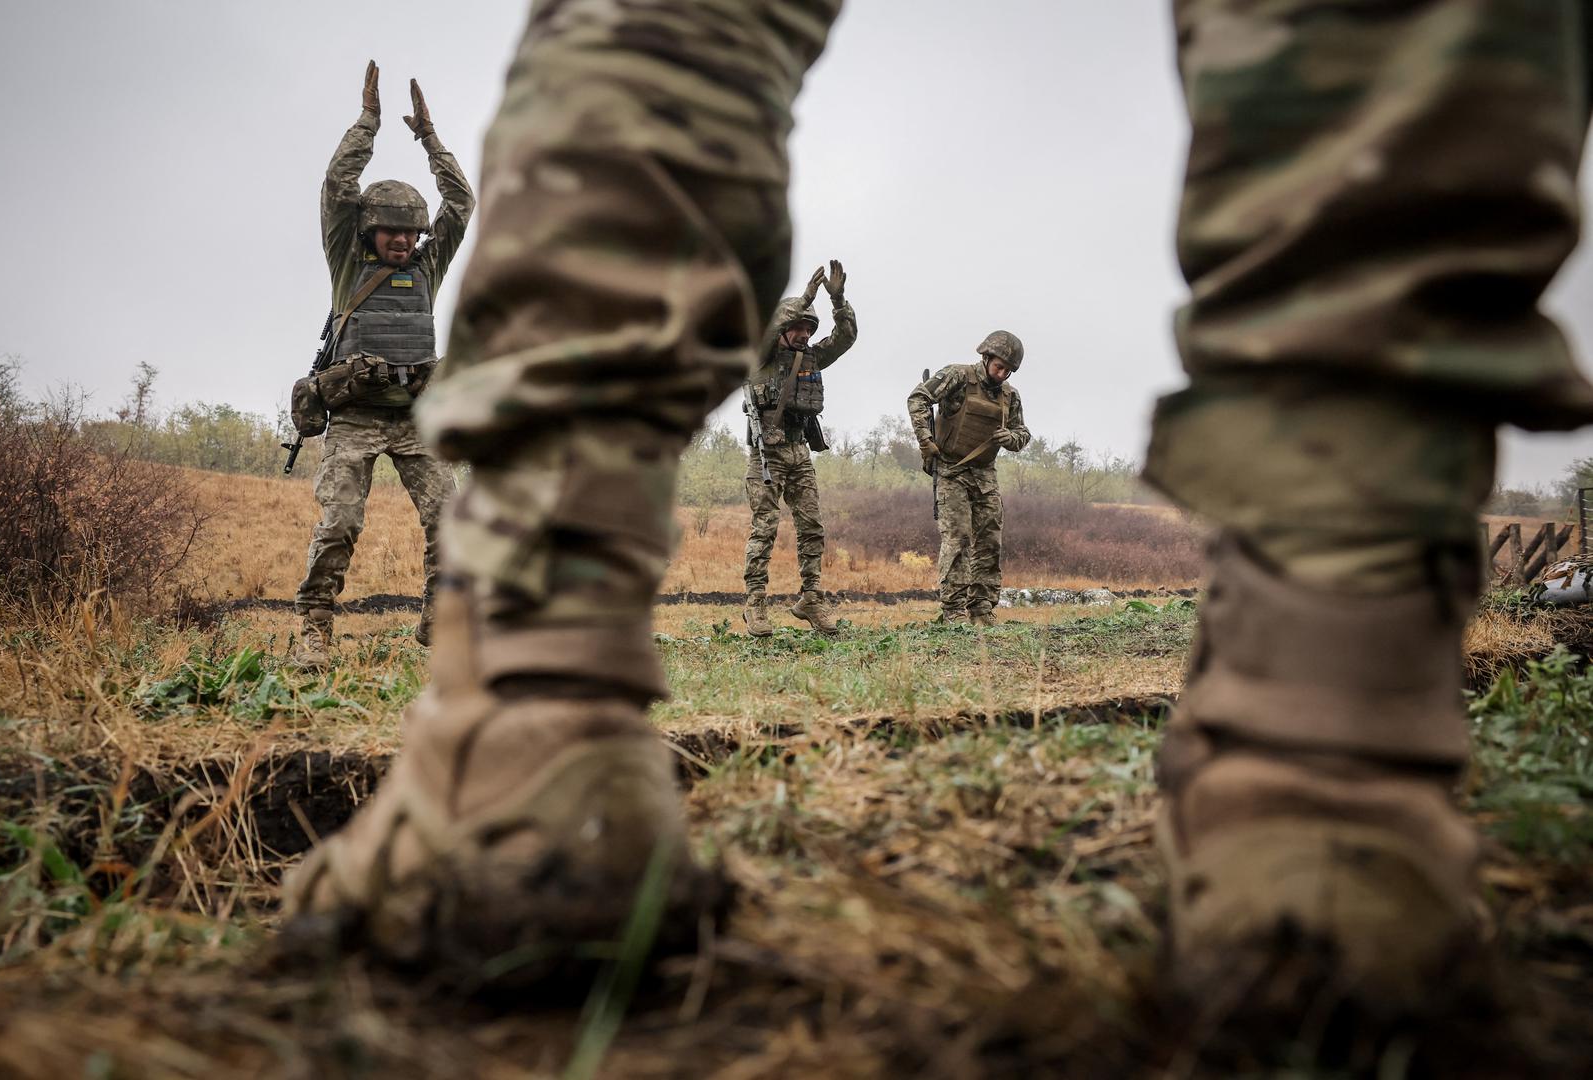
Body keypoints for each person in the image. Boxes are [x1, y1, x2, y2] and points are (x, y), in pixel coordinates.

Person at [285, 1, 1593, 1021]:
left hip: (778, 449)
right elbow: (809, 369)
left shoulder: (877, 366)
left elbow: (850, 350)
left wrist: (848, 312)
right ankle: (1339, 749)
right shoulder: (801, 363)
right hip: (708, 442)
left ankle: (529, 717)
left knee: (677, 30)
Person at [289, 61, 475, 670]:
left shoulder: (427, 266)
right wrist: (367, 123)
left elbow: (461, 201)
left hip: (418, 418)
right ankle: (314, 628)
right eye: (391, 231)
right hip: (355, 418)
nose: (402, 240)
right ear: (368, 230)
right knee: (340, 523)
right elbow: (336, 185)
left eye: (410, 231)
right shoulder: (347, 262)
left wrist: (429, 137)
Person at [740, 263, 858, 636]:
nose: (805, 334)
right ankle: (755, 605)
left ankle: (811, 599)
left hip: (799, 452)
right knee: (765, 527)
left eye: (809, 329)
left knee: (812, 527)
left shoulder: (811, 357)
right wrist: (806, 298)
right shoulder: (761, 354)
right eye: (799, 328)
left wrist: (837, 299)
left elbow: (847, 337)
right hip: (766, 455)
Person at [907, 331, 1031, 627]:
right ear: (986, 358)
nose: (1001, 374)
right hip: (951, 470)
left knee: (990, 541)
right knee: (958, 538)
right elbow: (918, 398)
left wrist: (1010, 437)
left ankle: (982, 610)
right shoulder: (957, 376)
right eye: (998, 367)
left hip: (985, 475)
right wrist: (926, 440)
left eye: (1007, 370)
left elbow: (1023, 433)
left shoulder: (1009, 396)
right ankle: (954, 610)